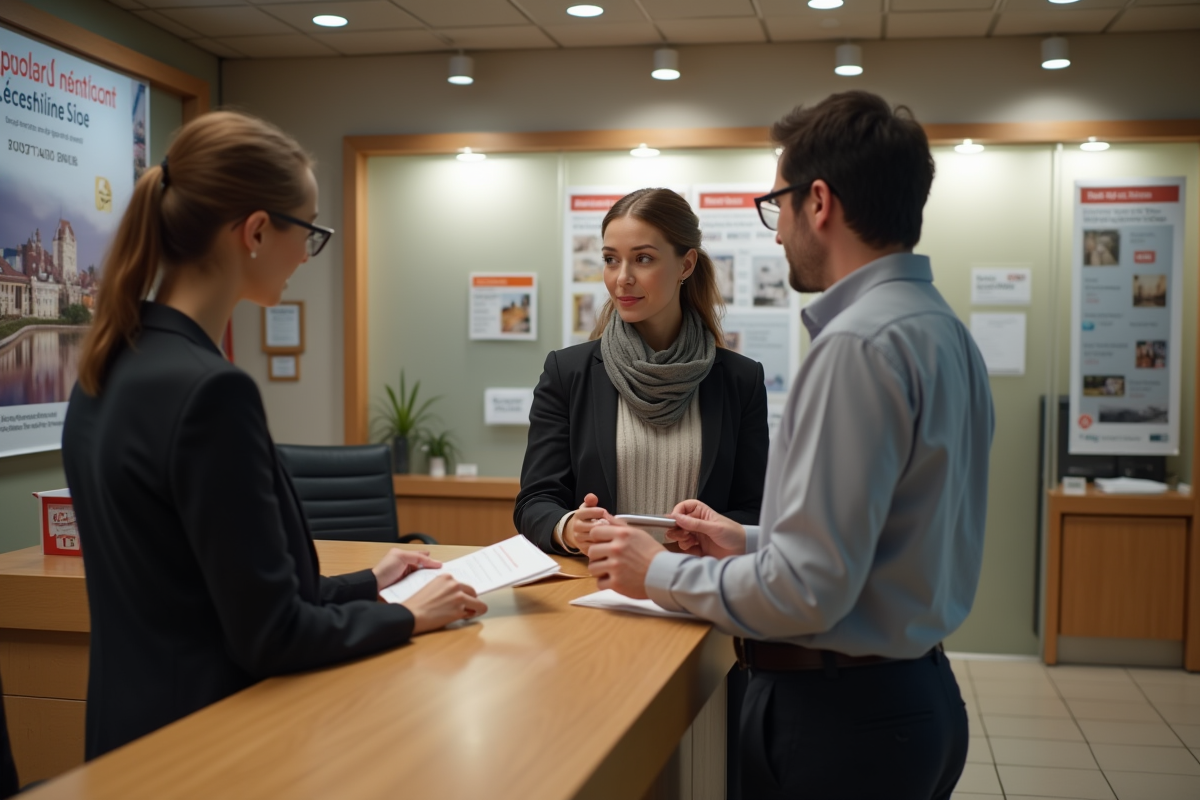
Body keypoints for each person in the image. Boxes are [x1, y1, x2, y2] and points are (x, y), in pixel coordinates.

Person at [585, 92, 995, 799]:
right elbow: (876, 539)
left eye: (777, 204)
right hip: (914, 697)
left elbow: (806, 591)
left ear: (820, 202)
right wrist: (747, 540)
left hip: (842, 724)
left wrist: (656, 572)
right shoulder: (941, 330)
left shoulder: (856, 346)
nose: (776, 233)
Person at [62, 111, 486, 759]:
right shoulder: (211, 392)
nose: (307, 255)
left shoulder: (109, 362)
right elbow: (272, 635)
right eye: (308, 231)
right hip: (206, 747)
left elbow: (211, 592)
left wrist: (369, 581)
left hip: (127, 739)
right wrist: (410, 614)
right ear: (256, 231)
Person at [515, 188, 769, 557]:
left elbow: (755, 509)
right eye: (610, 259)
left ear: (686, 265)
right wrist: (569, 528)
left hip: (698, 582)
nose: (622, 278)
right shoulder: (567, 373)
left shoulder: (740, 380)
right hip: (597, 582)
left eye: (643, 259)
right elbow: (535, 502)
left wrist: (712, 531)